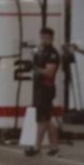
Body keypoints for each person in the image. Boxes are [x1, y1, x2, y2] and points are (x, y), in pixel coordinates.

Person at [25, 27, 61, 157]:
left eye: (46, 38)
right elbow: (35, 66)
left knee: (42, 119)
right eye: (42, 37)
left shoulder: (52, 54)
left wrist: (34, 68)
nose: (44, 40)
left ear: (51, 38)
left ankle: (37, 147)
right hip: (39, 88)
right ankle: (54, 146)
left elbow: (49, 73)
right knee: (46, 118)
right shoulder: (40, 51)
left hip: (46, 88)